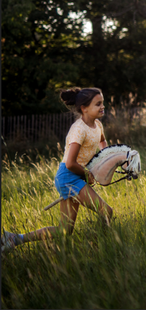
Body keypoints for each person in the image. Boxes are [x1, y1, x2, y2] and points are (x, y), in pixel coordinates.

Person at [2, 88, 114, 253]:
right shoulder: (79, 130)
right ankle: (100, 248)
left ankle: (15, 238)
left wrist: (105, 159)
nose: (102, 106)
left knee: (64, 230)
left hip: (76, 176)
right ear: (84, 108)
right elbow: (70, 163)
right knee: (106, 212)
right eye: (98, 104)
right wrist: (86, 174)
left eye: (102, 103)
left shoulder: (97, 125)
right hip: (69, 177)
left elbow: (102, 142)